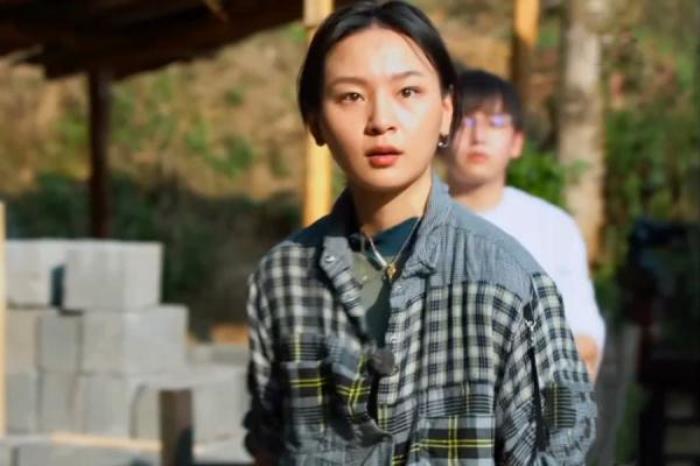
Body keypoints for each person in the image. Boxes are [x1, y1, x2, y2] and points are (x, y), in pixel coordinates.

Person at [244, 2, 596, 464]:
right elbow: (270, 442)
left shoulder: (508, 283)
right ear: (315, 121)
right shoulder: (283, 277)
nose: (381, 120)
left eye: (408, 91)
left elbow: (557, 450)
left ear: (446, 111)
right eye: (351, 96)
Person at [443, 68, 606, 380]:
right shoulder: (409, 221)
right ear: (440, 133)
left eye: (495, 123)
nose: (479, 137)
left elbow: (583, 330)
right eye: (466, 121)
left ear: (516, 142)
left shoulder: (553, 227)